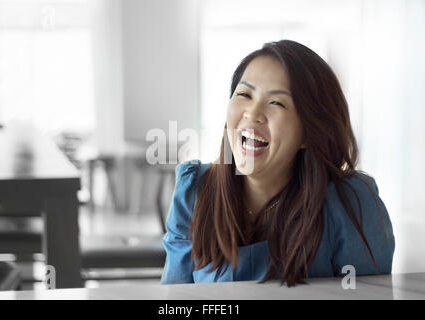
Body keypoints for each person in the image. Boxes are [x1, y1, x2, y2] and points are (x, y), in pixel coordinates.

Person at [160, 40, 395, 287]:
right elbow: (176, 302)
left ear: (308, 132)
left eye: (277, 103)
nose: (252, 113)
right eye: (244, 94)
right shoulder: (194, 189)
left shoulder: (352, 202)